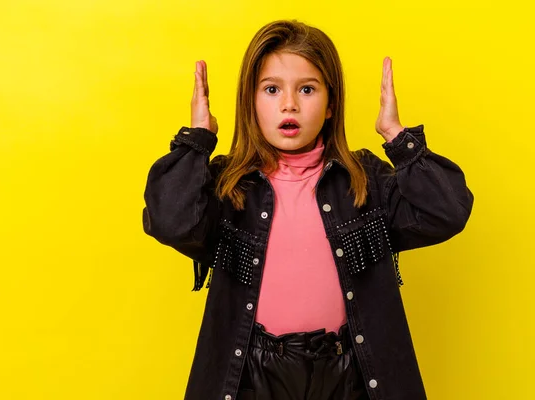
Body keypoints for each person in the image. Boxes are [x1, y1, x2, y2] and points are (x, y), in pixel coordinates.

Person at [143, 19, 473, 400]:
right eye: (271, 89)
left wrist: (397, 139)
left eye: (307, 89)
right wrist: (198, 139)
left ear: (331, 103)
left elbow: (448, 210)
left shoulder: (365, 181)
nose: (289, 104)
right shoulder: (228, 185)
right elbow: (169, 220)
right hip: (251, 372)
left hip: (349, 372)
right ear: (250, 101)